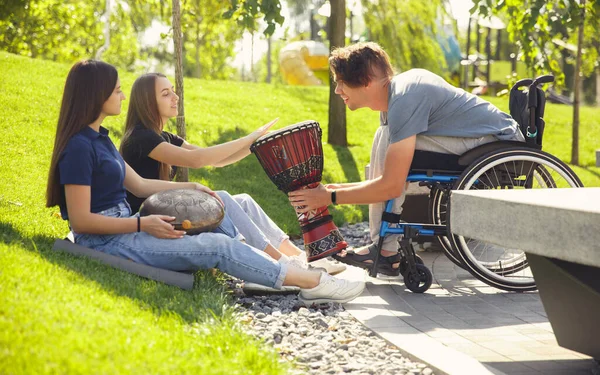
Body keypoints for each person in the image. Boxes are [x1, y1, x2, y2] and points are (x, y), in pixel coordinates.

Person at [45, 60, 364, 304]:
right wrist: (142, 227)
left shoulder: (100, 139)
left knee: (222, 211)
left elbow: (140, 185)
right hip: (107, 241)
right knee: (219, 246)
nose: (122, 95)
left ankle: (296, 275)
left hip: (129, 228)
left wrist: (192, 187)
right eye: (116, 90)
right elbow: (83, 222)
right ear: (95, 94)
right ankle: (309, 282)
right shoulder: (78, 148)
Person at [288, 42, 525, 275]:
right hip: (482, 139)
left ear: (366, 82)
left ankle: (386, 249)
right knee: (387, 136)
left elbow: (390, 186)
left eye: (341, 83)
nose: (338, 90)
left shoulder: (404, 99)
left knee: (389, 137)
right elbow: (386, 180)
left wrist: (329, 197)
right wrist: (331, 190)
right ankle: (386, 247)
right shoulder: (396, 98)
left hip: (497, 143)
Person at [118, 72, 346, 275]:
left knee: (244, 201)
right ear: (148, 102)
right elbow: (197, 160)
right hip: (146, 220)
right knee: (222, 198)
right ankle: (279, 263)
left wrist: (257, 143)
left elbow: (218, 160)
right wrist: (249, 137)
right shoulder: (140, 138)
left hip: (164, 213)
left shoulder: (165, 137)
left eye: (173, 91)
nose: (175, 97)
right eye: (166, 93)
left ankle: (302, 258)